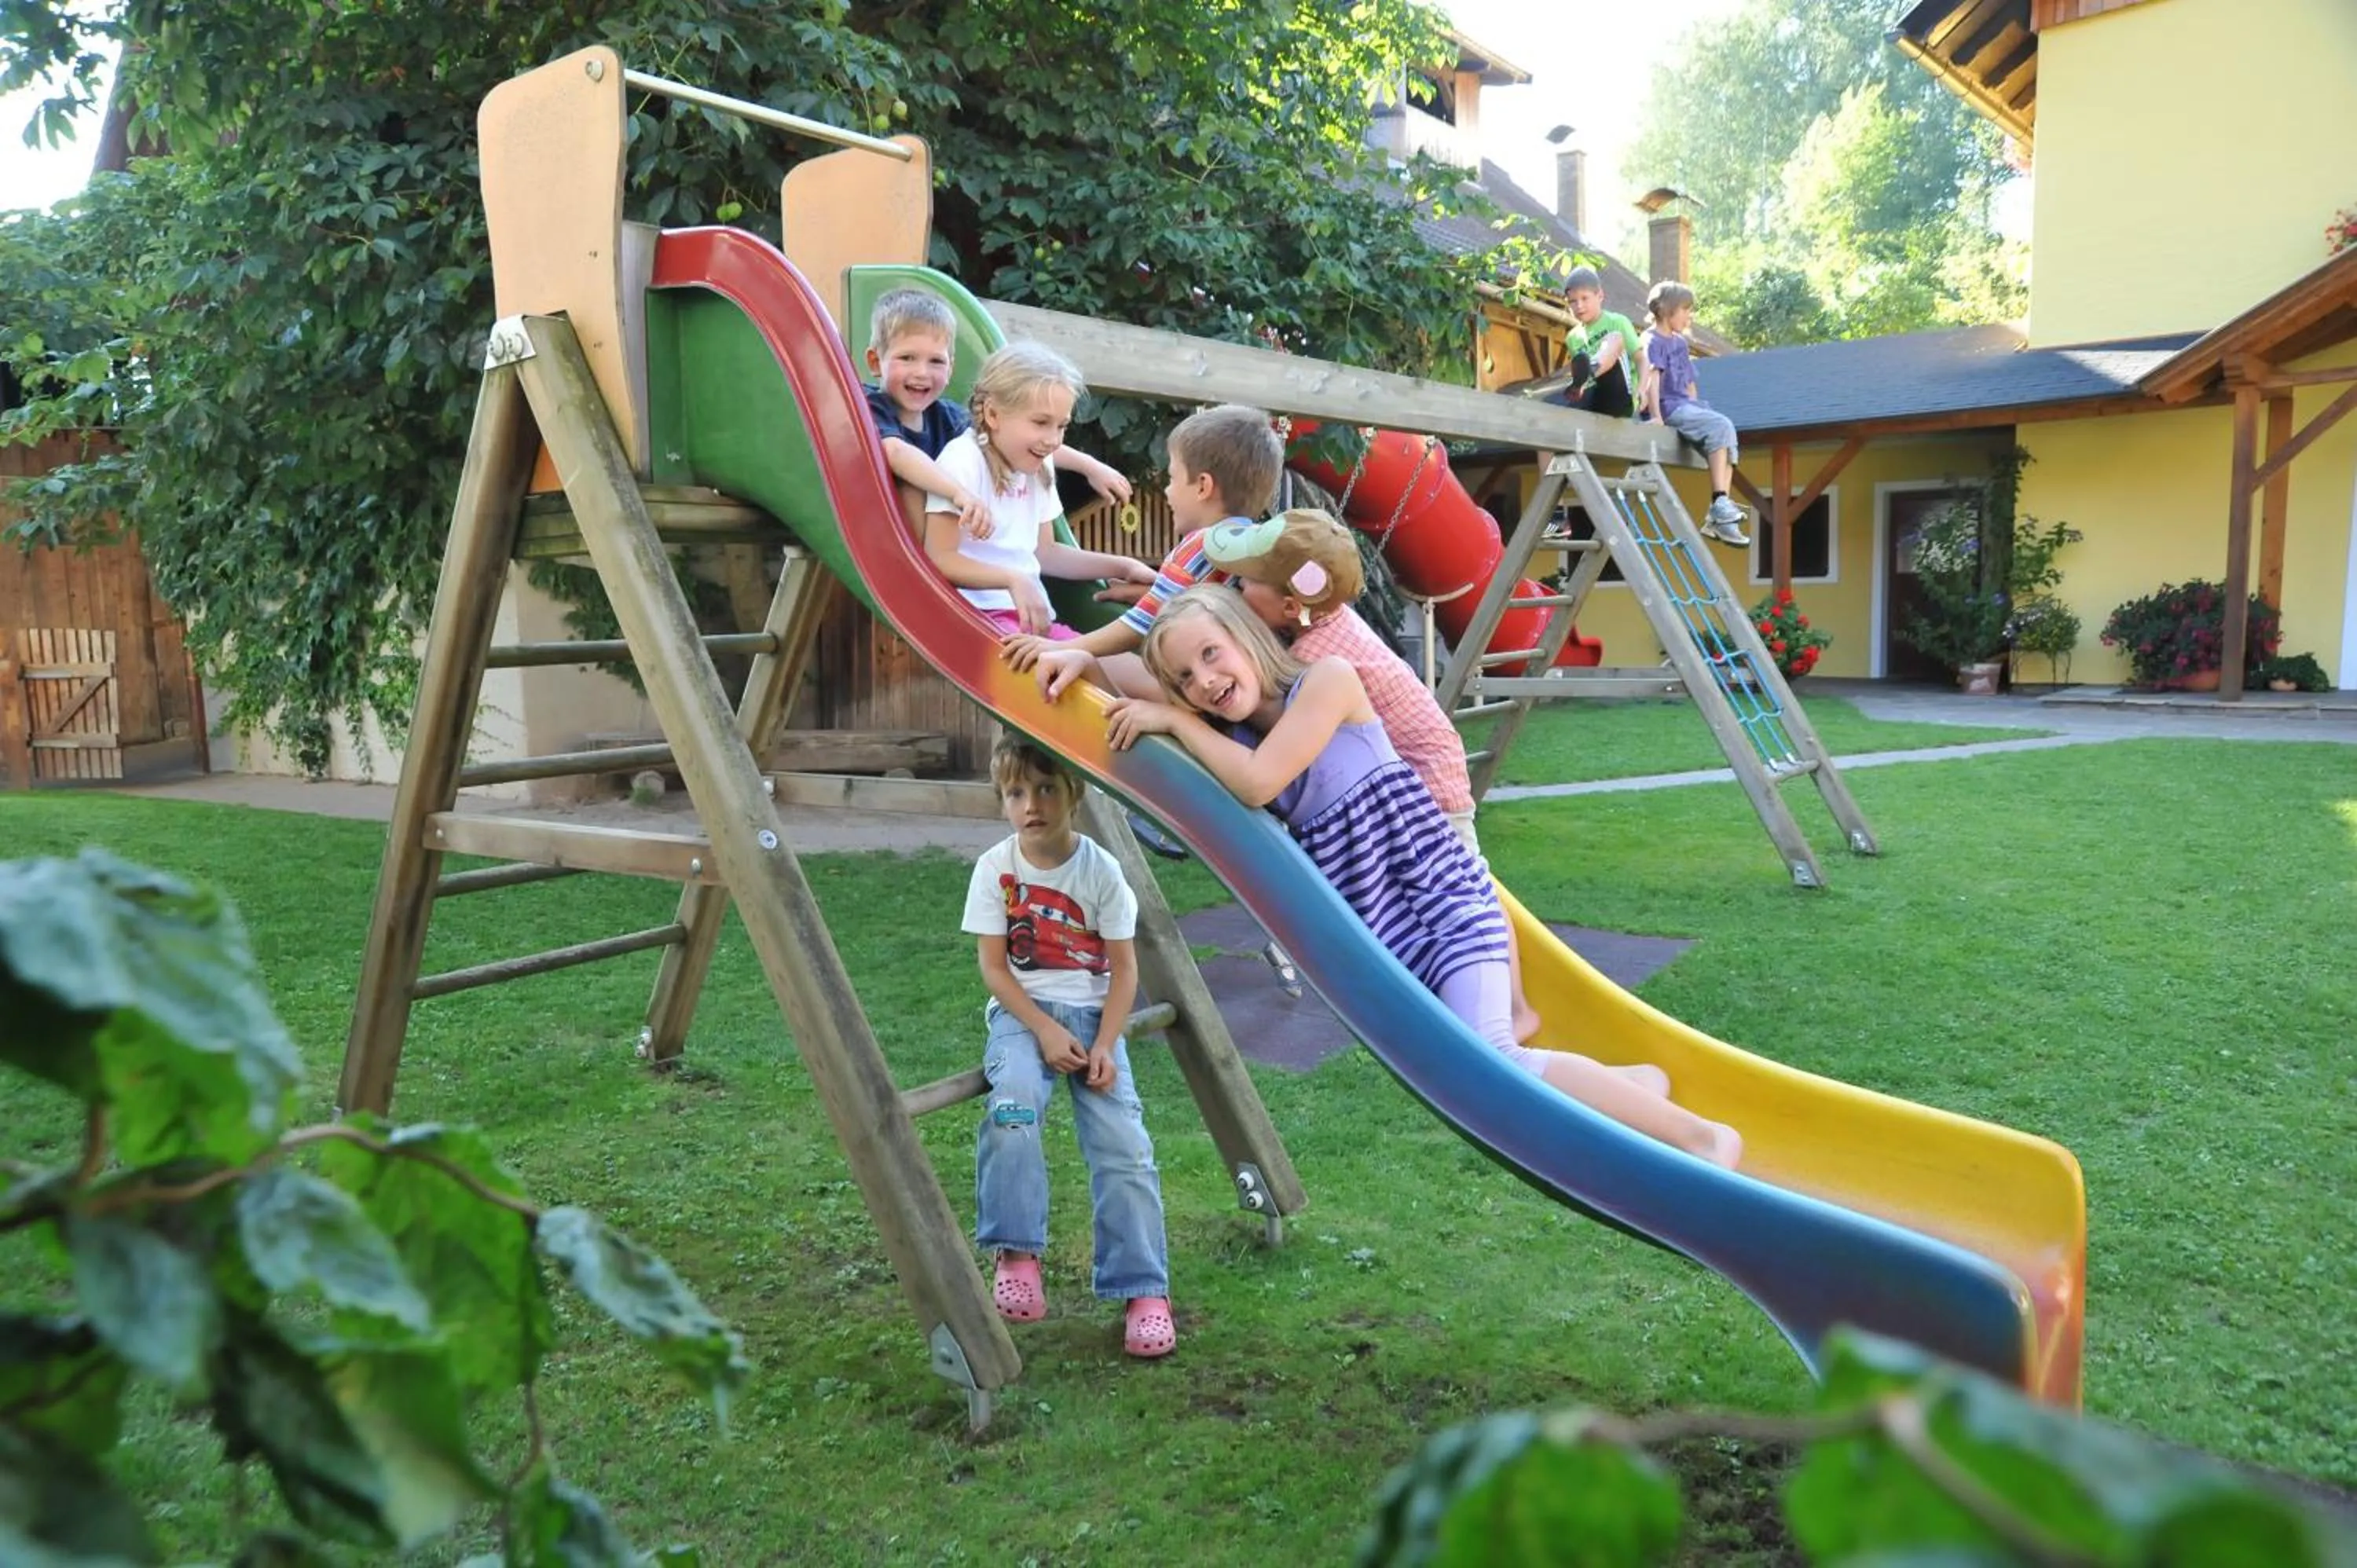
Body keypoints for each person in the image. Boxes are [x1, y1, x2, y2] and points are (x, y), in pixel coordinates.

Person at [1107, 586, 1743, 1170]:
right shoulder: (1239, 733)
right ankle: (1635, 1085)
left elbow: (1259, 781)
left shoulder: (1327, 683)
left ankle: (1702, 1137)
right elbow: (1120, 672)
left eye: (1213, 654)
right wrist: (1071, 654)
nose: (1206, 680)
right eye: (1185, 679)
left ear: (1248, 636)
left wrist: (1175, 720)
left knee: (1493, 1060)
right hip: (1393, 935)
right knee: (1473, 1067)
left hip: (1445, 902)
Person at [1195, 507, 1539, 1043]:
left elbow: (1282, 757)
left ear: (1290, 606)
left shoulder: (1312, 656)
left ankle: (1516, 1008)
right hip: (1402, 768)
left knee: (1465, 877)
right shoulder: (1319, 619)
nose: (1236, 590)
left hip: (1426, 775)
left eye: (1246, 582)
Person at [961, 732, 1176, 1358]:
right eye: (1017, 793)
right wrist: (1043, 1030)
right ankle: (1017, 1253)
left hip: (1093, 1019)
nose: (1032, 804)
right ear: (1003, 802)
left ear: (1073, 793)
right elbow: (996, 969)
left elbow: (1125, 971)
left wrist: (1106, 1043)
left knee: (1125, 1148)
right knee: (1016, 1106)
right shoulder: (995, 870)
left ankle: (1143, 1291)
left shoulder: (1101, 872)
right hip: (1022, 1019)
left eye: (1047, 788)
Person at [1003, 401, 1284, 698]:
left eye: (1173, 479)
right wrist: (1148, 594)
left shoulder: (1200, 544)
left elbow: (1140, 624)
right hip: (1249, 682)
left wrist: (1066, 646)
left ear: (1202, 487)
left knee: (1092, 664)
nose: (1167, 491)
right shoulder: (1250, 543)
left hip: (1205, 689)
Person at [922, 342, 1156, 639]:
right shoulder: (963, 460)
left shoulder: (1038, 466)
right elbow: (940, 557)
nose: (1053, 440)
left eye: (1061, 426)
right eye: (1041, 422)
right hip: (978, 620)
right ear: (993, 415)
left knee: (1137, 673)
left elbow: (1045, 553)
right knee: (1085, 671)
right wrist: (1012, 580)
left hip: (1031, 620)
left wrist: (1123, 566)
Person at [863, 287, 1133, 537]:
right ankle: (930, 570)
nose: (922, 373)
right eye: (907, 358)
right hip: (890, 535)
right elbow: (897, 454)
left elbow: (1008, 437)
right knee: (912, 485)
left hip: (949, 535)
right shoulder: (870, 407)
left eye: (936, 361)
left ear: (951, 368)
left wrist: (1090, 467)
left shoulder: (945, 415)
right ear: (876, 362)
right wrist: (959, 494)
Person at [1640, 280, 1751, 548]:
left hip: (1685, 406)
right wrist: (1656, 416)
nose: (1689, 316)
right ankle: (1719, 504)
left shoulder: (1679, 343)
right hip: (1668, 408)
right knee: (1722, 425)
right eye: (1686, 310)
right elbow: (1652, 380)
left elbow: (1689, 382)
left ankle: (1721, 514)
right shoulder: (1651, 340)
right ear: (1668, 310)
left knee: (1726, 435)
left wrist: (1697, 409)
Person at [1557, 266, 1640, 420]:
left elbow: (1641, 360)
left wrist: (1643, 393)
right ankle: (1586, 376)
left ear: (1600, 295)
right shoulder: (1573, 338)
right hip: (1594, 398)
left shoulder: (1618, 321)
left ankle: (1594, 366)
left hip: (1619, 396)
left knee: (1615, 338)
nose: (1579, 306)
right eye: (1573, 302)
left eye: (1585, 298)